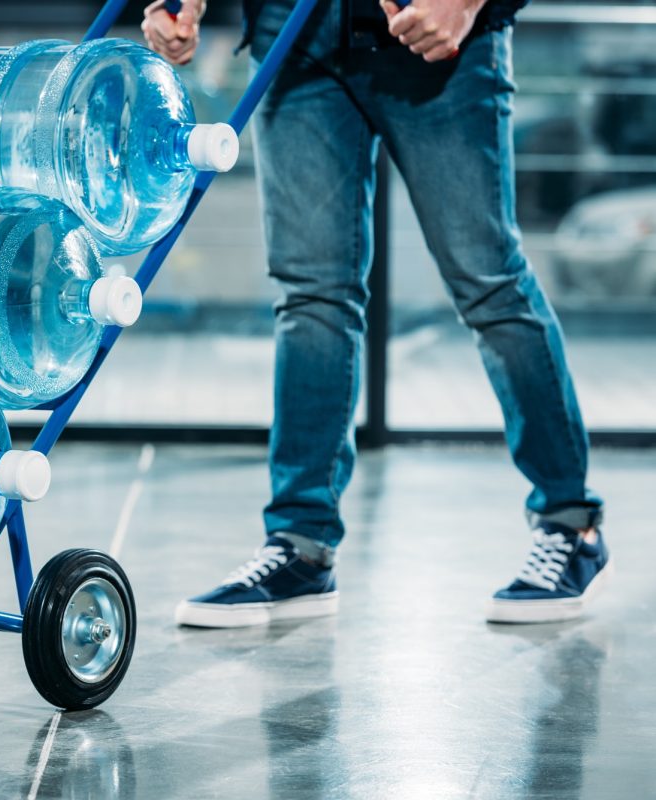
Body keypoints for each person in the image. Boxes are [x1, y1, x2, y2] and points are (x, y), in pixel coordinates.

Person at [142, 0, 610, 626]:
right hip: (294, 32)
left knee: (489, 284)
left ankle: (569, 524)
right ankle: (300, 546)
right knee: (311, 297)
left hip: (430, 29)